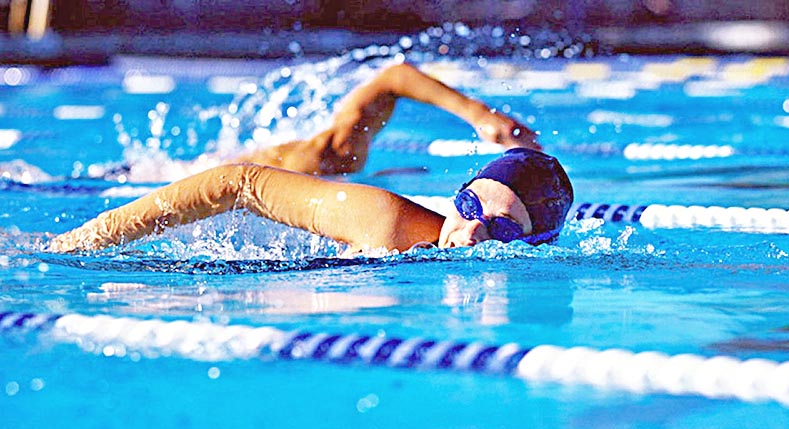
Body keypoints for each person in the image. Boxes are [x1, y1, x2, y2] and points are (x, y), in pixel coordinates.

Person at [48, 62, 573, 254]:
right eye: (470, 205)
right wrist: (80, 242)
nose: (474, 232)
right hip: (177, 180)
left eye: (504, 230)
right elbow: (236, 183)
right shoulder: (354, 183)